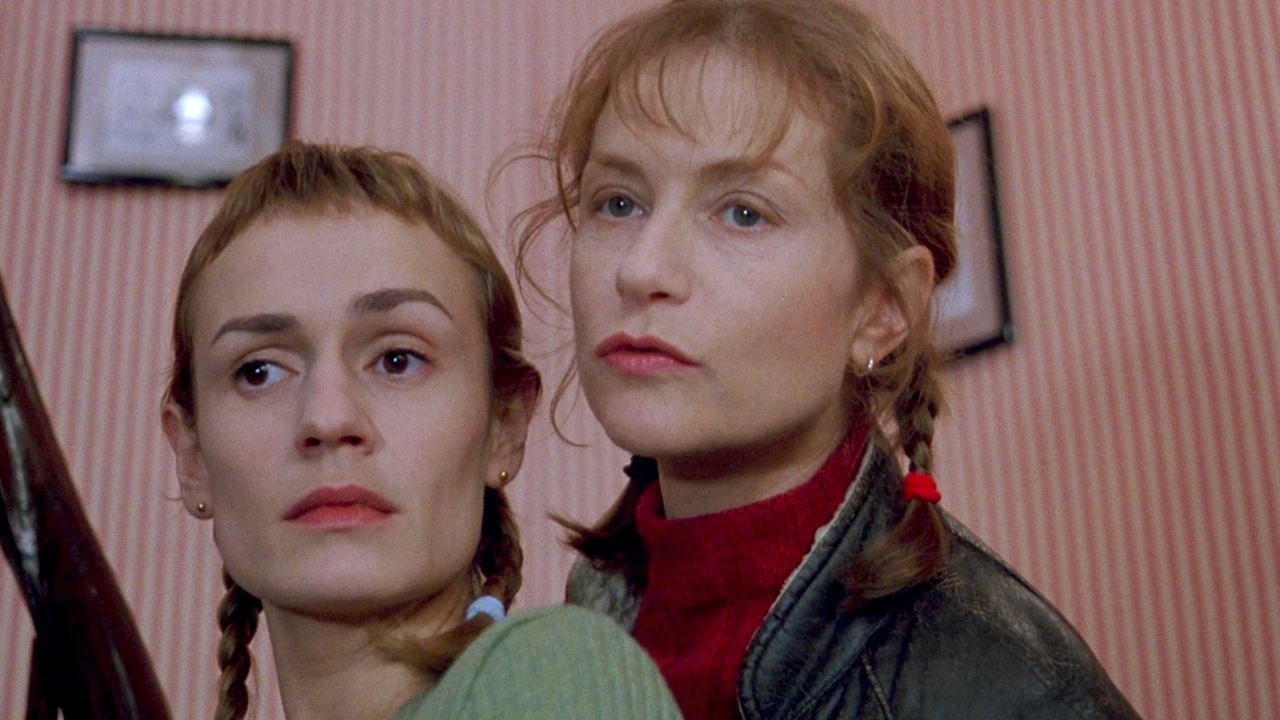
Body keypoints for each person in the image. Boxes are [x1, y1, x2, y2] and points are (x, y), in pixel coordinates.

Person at [514, 1, 1143, 718]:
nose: (640, 268)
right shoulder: (581, 631)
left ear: (882, 309)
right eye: (618, 203)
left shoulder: (1010, 689)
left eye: (744, 212)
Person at [161, 141, 682, 720]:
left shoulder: (556, 679)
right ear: (192, 456)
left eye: (397, 360)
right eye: (259, 371)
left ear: (504, 425)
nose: (328, 420)